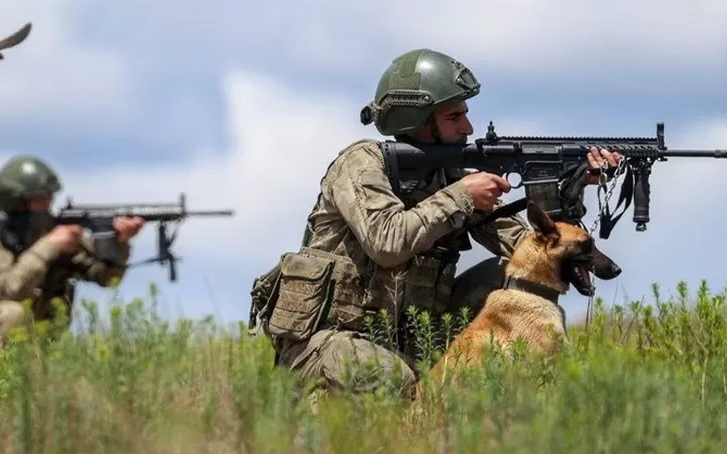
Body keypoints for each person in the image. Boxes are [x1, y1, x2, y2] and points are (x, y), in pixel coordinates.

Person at [249, 48, 622, 400]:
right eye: (454, 117)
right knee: (394, 378)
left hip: (409, 344)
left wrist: (571, 186)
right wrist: (461, 195)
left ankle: (523, 386)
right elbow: (386, 241)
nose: (468, 127)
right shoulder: (361, 164)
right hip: (327, 342)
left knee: (504, 274)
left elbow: (532, 253)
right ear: (418, 121)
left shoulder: (449, 176)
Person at [0, 155, 146, 345]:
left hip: (35, 343)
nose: (49, 206)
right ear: (17, 201)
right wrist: (49, 247)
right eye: (41, 200)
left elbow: (106, 278)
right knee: (12, 312)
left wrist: (119, 244)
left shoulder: (49, 231)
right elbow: (9, 289)